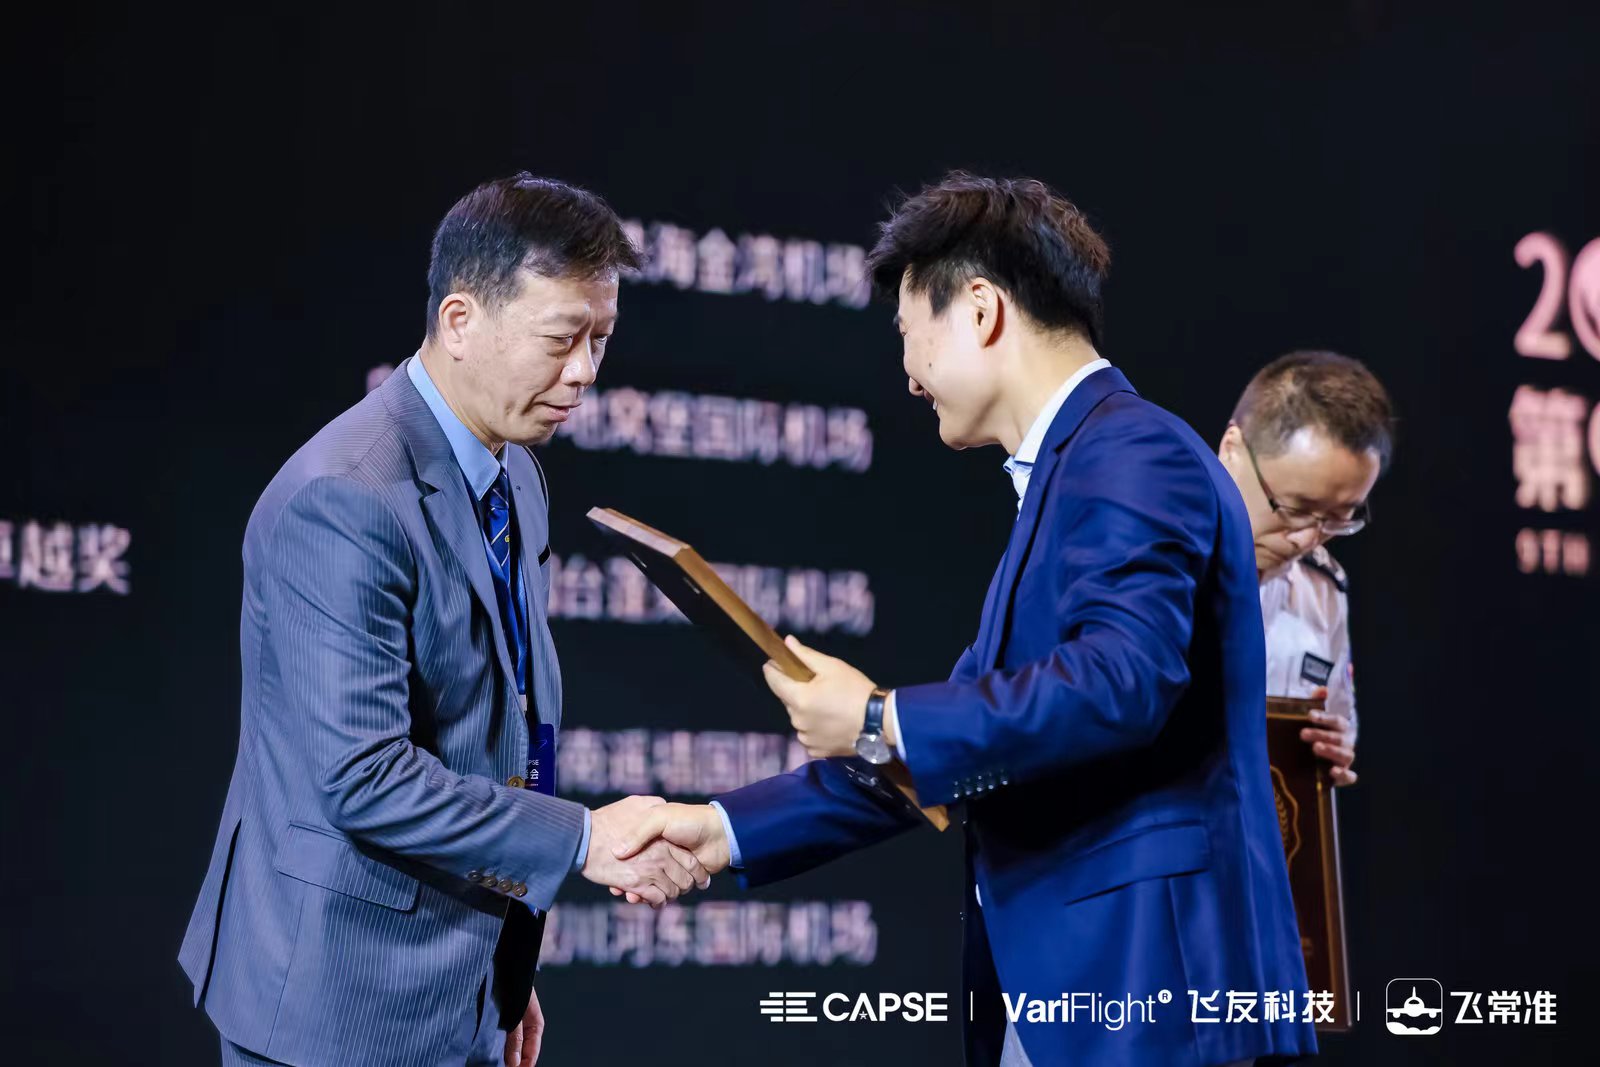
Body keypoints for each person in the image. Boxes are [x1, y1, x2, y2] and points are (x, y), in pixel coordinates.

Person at [614, 173, 1315, 1066]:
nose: (908, 375)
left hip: (1150, 989)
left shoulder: (1130, 447)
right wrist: (719, 830)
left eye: (910, 332)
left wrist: (878, 716)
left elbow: (1121, 681)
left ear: (981, 311)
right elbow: (956, 749)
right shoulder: (1074, 469)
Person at [178, 173, 709, 1067]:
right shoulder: (346, 497)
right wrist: (584, 838)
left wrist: (500, 965)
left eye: (601, 339)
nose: (586, 371)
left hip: (462, 982)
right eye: (562, 338)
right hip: (333, 1007)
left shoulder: (517, 475)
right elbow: (363, 776)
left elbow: (495, 730)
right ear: (459, 320)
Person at [1217, 351, 1393, 787]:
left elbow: (1339, 718)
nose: (1307, 539)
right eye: (1295, 509)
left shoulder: (1322, 589)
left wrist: (1335, 746)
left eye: (1338, 519)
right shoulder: (1158, 564)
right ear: (1232, 450)